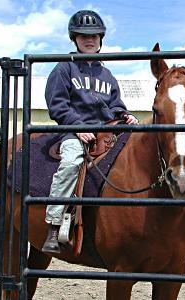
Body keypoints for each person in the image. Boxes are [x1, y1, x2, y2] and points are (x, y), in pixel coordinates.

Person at [42, 10, 138, 254]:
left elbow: (115, 105)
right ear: (74, 38)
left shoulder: (107, 75)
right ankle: (53, 225)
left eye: (95, 36)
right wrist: (77, 127)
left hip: (107, 131)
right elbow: (58, 105)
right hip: (75, 132)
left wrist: (125, 116)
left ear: (100, 39)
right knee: (72, 162)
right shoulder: (64, 69)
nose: (90, 40)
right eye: (84, 36)